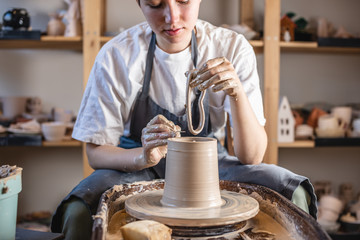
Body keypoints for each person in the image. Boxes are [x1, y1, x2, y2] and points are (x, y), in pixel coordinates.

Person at [51, 0, 317, 239]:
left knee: (293, 191)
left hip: (212, 164)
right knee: (78, 209)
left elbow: (253, 156)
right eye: (156, 4)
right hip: (136, 163)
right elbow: (95, 153)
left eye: (183, 1)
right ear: (139, 3)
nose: (172, 17)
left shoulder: (231, 47)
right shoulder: (117, 54)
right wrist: (141, 158)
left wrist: (236, 92)